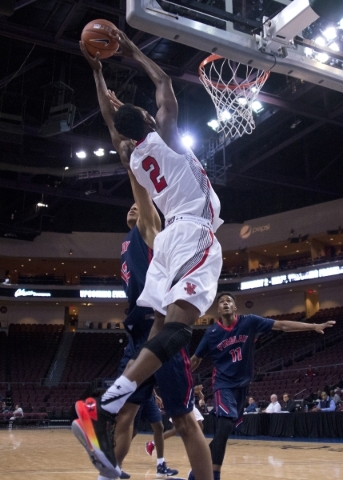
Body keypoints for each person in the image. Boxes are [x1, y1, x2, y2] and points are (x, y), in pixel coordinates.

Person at [75, 28, 223, 480]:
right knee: (179, 330)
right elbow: (164, 84)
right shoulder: (171, 137)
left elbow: (109, 117)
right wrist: (132, 48)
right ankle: (104, 406)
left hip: (166, 243)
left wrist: (98, 72)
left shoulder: (132, 156)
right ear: (150, 119)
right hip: (193, 232)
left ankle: (107, 403)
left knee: (160, 331)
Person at [190, 292, 335, 480]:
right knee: (224, 427)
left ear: (235, 307)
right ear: (218, 309)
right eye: (222, 302)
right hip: (222, 384)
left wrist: (314, 325)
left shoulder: (249, 322)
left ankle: (196, 471)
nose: (225, 303)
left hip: (242, 386)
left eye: (229, 301)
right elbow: (195, 360)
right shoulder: (211, 333)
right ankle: (214, 474)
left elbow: (282, 325)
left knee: (224, 434)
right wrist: (180, 376)